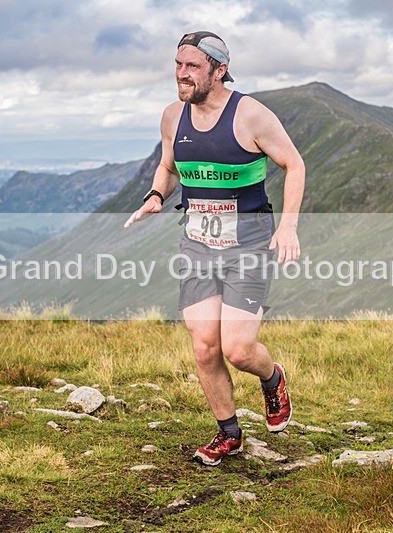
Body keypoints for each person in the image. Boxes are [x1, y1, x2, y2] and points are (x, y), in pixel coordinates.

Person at [124, 31, 305, 466]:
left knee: (238, 350)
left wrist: (289, 227)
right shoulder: (173, 117)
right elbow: (168, 166)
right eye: (178, 65)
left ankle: (272, 377)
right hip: (198, 245)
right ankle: (229, 433)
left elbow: (294, 163)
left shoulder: (251, 115)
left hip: (248, 244)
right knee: (205, 347)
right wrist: (155, 194)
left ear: (219, 71)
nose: (182, 75)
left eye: (193, 68)